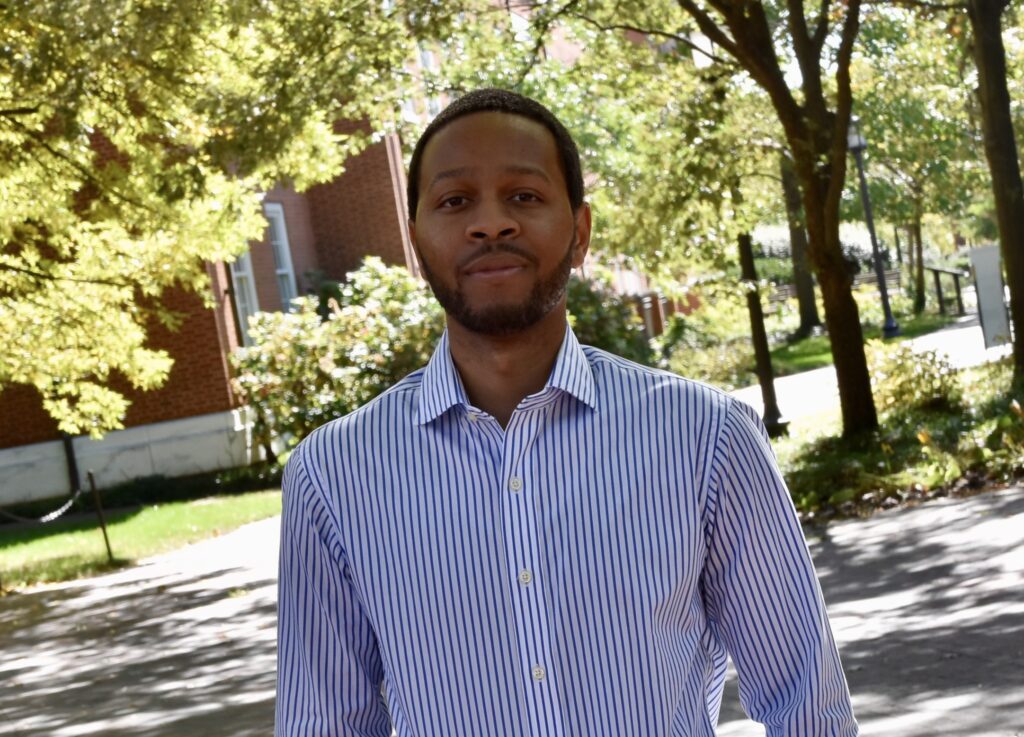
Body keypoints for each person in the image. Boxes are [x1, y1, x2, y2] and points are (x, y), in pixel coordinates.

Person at [276, 88, 858, 737]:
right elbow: (324, 723)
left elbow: (806, 701)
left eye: (524, 196)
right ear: (416, 243)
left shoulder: (705, 437)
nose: (490, 223)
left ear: (579, 232)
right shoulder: (332, 475)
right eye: (454, 200)